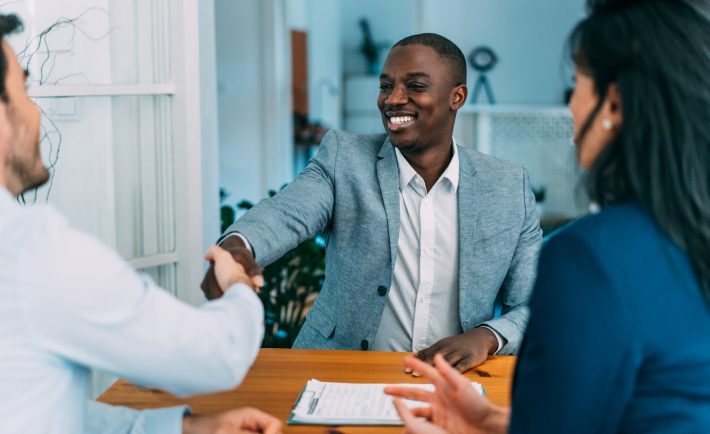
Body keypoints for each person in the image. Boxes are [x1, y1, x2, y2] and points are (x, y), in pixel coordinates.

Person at [385, 0, 710, 432]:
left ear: (613, 104)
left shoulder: (590, 257)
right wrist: (495, 422)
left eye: (577, 84)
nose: (571, 104)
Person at [0, 14, 281, 434]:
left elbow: (27, 404)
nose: (35, 110)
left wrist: (183, 428)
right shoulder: (32, 253)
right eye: (23, 90)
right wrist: (239, 286)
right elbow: (214, 356)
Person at [202, 33, 542, 373]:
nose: (393, 99)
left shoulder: (508, 186)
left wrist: (485, 337)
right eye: (385, 86)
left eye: (415, 86)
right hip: (339, 374)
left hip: (453, 384)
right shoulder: (344, 159)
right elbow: (285, 213)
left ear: (457, 96)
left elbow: (533, 305)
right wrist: (238, 246)